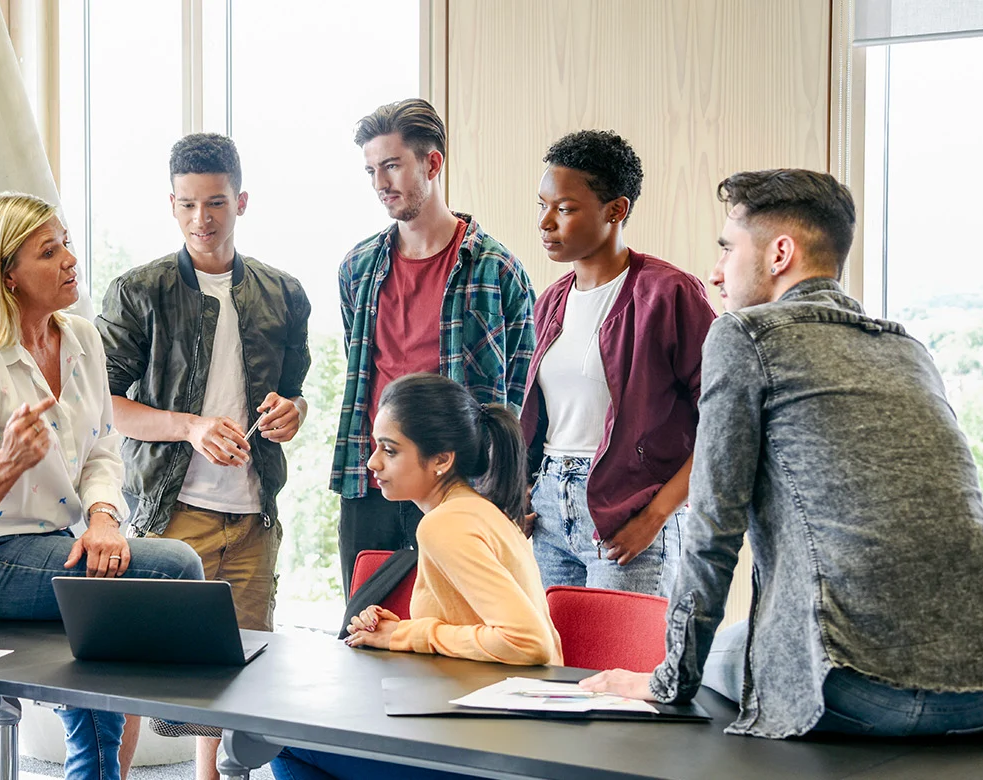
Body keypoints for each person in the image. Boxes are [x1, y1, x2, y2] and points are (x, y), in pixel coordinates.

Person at [579, 169, 983, 738]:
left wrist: (666, 682)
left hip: (860, 686)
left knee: (721, 657)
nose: (715, 273)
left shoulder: (747, 335)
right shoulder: (907, 347)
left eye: (728, 249)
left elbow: (713, 529)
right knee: (739, 637)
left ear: (780, 252)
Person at [0, 192, 204, 780]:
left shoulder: (80, 339)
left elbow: (102, 448)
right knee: (172, 566)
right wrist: (6, 464)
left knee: (106, 622)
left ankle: (98, 768)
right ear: (8, 277)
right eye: (49, 252)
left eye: (67, 242)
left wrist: (103, 517)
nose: (70, 258)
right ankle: (178, 715)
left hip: (52, 541)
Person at [98, 132, 311, 780]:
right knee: (142, 672)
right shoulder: (139, 290)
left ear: (241, 200)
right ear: (171, 204)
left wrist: (292, 412)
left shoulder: (283, 293)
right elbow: (101, 405)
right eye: (188, 204)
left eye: (215, 202)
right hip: (171, 511)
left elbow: (295, 395)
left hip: (252, 514)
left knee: (239, 678)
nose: (202, 219)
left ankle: (210, 775)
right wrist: (188, 426)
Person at [273, 373, 559, 779]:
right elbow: (476, 625)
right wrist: (403, 630)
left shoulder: (445, 525)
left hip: (491, 750)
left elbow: (529, 642)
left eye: (389, 450)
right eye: (375, 447)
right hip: (505, 734)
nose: (373, 462)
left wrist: (410, 635)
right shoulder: (477, 510)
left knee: (280, 737)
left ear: (442, 460)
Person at [334, 98, 536, 593]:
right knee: (366, 632)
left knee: (458, 636)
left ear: (432, 162)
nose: (381, 183)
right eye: (371, 170)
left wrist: (512, 491)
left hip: (461, 486)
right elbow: (359, 372)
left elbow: (521, 393)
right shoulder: (358, 268)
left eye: (392, 166)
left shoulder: (496, 269)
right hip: (373, 484)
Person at [520, 131, 716, 597]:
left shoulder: (669, 294)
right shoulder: (549, 302)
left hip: (629, 512)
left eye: (564, 209)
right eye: (542, 205)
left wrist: (655, 517)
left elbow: (723, 422)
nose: (546, 222)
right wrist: (523, 490)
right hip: (549, 509)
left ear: (616, 210)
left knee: (619, 667)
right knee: (561, 666)